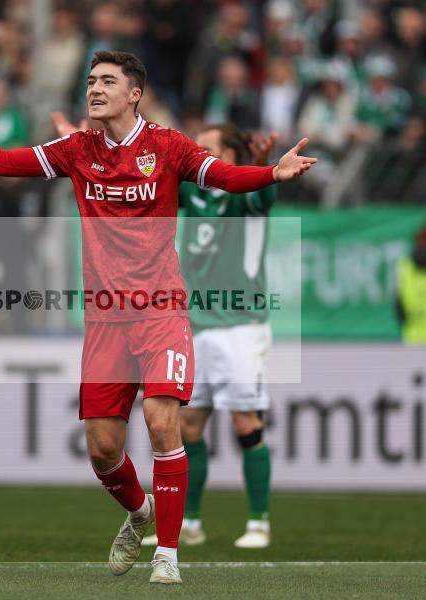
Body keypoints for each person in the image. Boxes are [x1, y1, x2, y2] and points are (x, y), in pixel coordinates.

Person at [0, 51, 315, 585]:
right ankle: (140, 514)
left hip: (162, 310)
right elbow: (0, 163)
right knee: (103, 449)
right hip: (107, 319)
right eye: (91, 80)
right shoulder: (77, 149)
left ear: (133, 93)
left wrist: (273, 172)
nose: (94, 89)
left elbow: (224, 176)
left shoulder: (167, 146)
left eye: (107, 81)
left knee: (166, 423)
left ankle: (169, 556)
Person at [141, 123, 277, 549]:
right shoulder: (192, 194)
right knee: (188, 424)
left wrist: (262, 166)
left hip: (241, 325)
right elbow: (149, 185)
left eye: (207, 148)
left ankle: (258, 521)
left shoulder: (244, 194)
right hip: (193, 324)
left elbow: (265, 195)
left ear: (230, 157)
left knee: (244, 420)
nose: (195, 153)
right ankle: (190, 523)